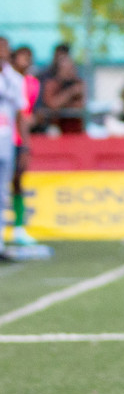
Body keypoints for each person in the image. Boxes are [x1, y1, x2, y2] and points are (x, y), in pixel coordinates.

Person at [0, 37, 30, 251]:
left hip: (6, 141)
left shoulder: (14, 79)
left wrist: (25, 146)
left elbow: (21, 114)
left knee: (2, 192)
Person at [8, 45, 38, 244]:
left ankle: (19, 228)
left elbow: (27, 111)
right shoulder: (8, 79)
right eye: (22, 57)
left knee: (18, 181)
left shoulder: (32, 83)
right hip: (6, 135)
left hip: (17, 137)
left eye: (29, 57)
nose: (25, 61)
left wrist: (26, 143)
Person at [41, 48, 86, 135]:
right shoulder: (52, 84)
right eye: (67, 68)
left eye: (72, 68)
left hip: (75, 130)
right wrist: (70, 93)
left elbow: (80, 106)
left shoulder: (78, 83)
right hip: (57, 130)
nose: (71, 71)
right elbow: (52, 105)